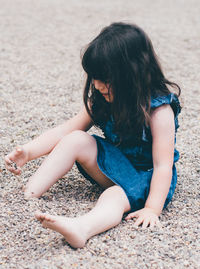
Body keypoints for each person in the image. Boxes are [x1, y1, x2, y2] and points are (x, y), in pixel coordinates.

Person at [5, 22, 181, 248]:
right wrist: (28, 152)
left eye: (105, 78)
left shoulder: (158, 111)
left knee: (114, 196)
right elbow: (65, 130)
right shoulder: (101, 99)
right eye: (94, 77)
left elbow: (162, 165)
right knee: (75, 138)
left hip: (148, 178)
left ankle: (82, 228)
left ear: (132, 75)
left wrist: (152, 208)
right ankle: (28, 195)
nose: (97, 85)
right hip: (118, 164)